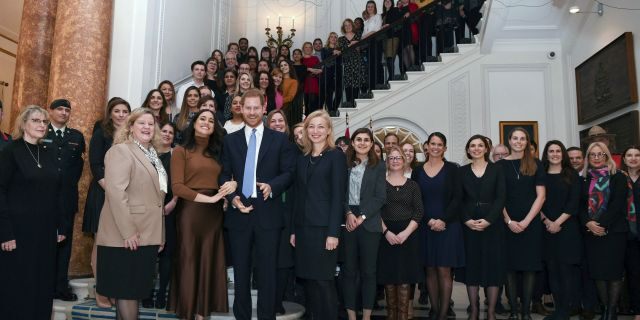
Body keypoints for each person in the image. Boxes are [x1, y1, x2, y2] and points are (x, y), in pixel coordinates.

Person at [220, 89, 296, 320]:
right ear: (240, 109)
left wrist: (272, 186)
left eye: (256, 107)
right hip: (239, 215)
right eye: (247, 107)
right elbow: (222, 175)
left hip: (269, 216)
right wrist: (232, 199)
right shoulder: (230, 140)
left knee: (267, 274)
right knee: (241, 274)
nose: (252, 112)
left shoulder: (280, 139)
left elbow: (289, 172)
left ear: (264, 108)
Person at [95, 108, 167, 320]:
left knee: (131, 293)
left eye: (150, 124)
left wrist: (159, 235)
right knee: (126, 293)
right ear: (130, 127)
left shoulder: (153, 155)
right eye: (141, 123)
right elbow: (116, 193)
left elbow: (156, 200)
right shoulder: (121, 151)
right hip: (125, 237)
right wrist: (128, 232)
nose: (147, 127)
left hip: (146, 235)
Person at [0, 105, 68, 319]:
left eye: (44, 122)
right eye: (36, 121)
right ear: (24, 124)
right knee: (18, 284)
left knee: (42, 283)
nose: (41, 125)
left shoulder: (47, 152)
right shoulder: (10, 151)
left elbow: (57, 193)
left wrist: (61, 225)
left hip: (45, 232)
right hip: (17, 233)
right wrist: (5, 232)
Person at [170, 109, 233, 319]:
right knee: (189, 260)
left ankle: (201, 313)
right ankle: (188, 313)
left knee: (208, 259)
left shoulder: (218, 152)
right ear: (194, 122)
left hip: (214, 214)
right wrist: (211, 199)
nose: (206, 123)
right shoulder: (181, 150)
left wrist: (227, 190)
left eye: (211, 120)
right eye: (202, 119)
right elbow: (177, 187)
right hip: (191, 211)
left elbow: (225, 178)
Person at [291, 110, 346, 320]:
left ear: (329, 130)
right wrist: (295, 230)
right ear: (306, 130)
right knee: (310, 281)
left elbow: (338, 196)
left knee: (324, 281)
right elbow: (298, 196)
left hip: (324, 230)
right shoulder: (302, 158)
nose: (316, 131)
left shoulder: (336, 156)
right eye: (311, 126)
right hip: (304, 230)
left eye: (320, 126)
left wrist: (333, 233)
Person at [82, 97, 131, 308]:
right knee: (101, 243)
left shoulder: (132, 135)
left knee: (118, 246)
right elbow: (95, 163)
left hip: (124, 196)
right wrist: (111, 189)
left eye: (125, 111)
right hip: (103, 193)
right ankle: (100, 291)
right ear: (110, 113)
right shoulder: (102, 132)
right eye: (117, 111)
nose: (121, 115)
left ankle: (112, 289)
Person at [413, 132, 464, 320]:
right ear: (427, 146)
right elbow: (415, 199)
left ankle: (443, 313)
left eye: (439, 144)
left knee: (444, 269)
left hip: (448, 226)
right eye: (432, 143)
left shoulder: (453, 169)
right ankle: (433, 310)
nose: (435, 147)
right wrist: (428, 220)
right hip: (425, 225)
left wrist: (443, 220)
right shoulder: (418, 170)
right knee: (430, 269)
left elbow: (458, 198)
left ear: (445, 148)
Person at [498, 127, 546, 320]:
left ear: (527, 142)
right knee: (509, 267)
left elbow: (541, 196)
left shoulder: (536, 163)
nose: (518, 142)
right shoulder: (499, 166)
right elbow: (498, 197)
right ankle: (513, 311)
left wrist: (526, 221)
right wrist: (508, 220)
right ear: (509, 141)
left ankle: (526, 312)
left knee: (529, 267)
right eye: (515, 138)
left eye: (522, 139)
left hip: (531, 223)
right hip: (507, 222)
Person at [580, 142, 629, 320]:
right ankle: (605, 307)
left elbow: (617, 206)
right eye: (593, 155)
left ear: (607, 156)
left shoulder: (618, 177)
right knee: (597, 272)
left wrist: (600, 224)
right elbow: (579, 206)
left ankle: (611, 312)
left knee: (614, 272)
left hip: (614, 232)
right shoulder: (584, 179)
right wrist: (589, 224)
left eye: (600, 154)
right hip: (591, 233)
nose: (596, 157)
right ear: (588, 158)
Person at [459, 135, 506, 320]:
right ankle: (475, 309)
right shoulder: (461, 171)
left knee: (492, 268)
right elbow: (458, 199)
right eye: (472, 146)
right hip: (469, 225)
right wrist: (466, 219)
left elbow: (501, 197)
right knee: (472, 267)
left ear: (486, 149)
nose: (476, 148)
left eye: (480, 145)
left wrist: (489, 220)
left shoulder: (497, 170)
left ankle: (492, 312)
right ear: (468, 150)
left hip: (492, 225)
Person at [44, 98, 86, 302]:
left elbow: (78, 167)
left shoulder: (76, 137)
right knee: (42, 242)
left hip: (66, 199)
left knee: (64, 244)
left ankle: (60, 286)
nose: (63, 112)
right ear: (50, 111)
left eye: (67, 110)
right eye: (59, 109)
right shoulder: (41, 132)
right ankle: (42, 285)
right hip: (42, 198)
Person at [342, 128, 387, 320]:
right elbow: (339, 192)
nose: (362, 143)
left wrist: (362, 216)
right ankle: (352, 315)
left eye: (366, 140)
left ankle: (367, 316)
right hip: (348, 222)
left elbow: (380, 197)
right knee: (348, 272)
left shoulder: (378, 165)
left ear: (371, 144)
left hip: (369, 223)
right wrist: (349, 213)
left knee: (369, 272)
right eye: (358, 139)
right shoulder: (344, 164)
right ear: (352, 143)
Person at [378, 146, 424, 320]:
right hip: (386, 235)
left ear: (404, 161)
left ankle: (403, 316)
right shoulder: (380, 184)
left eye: (398, 158)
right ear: (387, 162)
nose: (395, 160)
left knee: (405, 278)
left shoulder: (413, 185)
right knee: (389, 279)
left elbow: (419, 211)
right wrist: (386, 232)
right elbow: (375, 211)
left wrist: (406, 233)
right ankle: (391, 315)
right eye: (392, 158)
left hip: (408, 235)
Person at [539, 140, 582, 320]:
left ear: (562, 154)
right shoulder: (540, 175)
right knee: (552, 270)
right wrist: (547, 221)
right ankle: (558, 310)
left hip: (567, 229)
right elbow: (535, 200)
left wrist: (557, 222)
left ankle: (565, 311)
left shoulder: (572, 174)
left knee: (565, 271)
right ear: (546, 154)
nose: (555, 154)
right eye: (551, 151)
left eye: (558, 151)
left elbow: (574, 203)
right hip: (546, 228)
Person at [266, 109, 296, 314]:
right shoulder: (262, 148)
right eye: (273, 121)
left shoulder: (295, 149)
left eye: (281, 121)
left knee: (284, 260)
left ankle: (277, 301)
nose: (277, 124)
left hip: (290, 211)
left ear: (286, 125)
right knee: (267, 259)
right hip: (267, 209)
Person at [146, 122, 178, 310]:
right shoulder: (148, 152)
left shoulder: (177, 154)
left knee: (167, 255)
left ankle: (161, 295)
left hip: (170, 210)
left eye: (170, 132)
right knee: (149, 253)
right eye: (164, 131)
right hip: (149, 210)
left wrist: (173, 202)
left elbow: (182, 182)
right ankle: (147, 293)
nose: (166, 134)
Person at [621, 146, 640, 320]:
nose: (633, 158)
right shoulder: (619, 179)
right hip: (628, 234)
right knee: (634, 274)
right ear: (624, 159)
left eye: (637, 155)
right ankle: (637, 311)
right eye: (629, 155)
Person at [339, 18, 365, 107]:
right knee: (348, 83)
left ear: (352, 26)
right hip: (347, 63)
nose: (348, 27)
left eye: (349, 24)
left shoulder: (359, 34)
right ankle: (349, 103)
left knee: (356, 82)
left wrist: (356, 45)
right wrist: (351, 45)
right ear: (343, 27)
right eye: (345, 25)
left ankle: (354, 103)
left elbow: (361, 48)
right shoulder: (341, 39)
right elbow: (343, 50)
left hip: (357, 62)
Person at [362, 0, 383, 90]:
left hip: (376, 42)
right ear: (366, 9)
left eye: (372, 6)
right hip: (368, 45)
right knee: (370, 65)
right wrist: (364, 37)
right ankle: (372, 87)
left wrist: (365, 36)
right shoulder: (366, 21)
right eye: (368, 7)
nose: (370, 8)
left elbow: (377, 30)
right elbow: (362, 35)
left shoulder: (378, 16)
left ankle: (379, 83)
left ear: (375, 8)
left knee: (377, 63)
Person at [320, 32, 343, 116]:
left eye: (335, 37)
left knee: (339, 92)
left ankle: (334, 108)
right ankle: (330, 110)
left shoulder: (340, 49)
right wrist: (333, 53)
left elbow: (341, 61)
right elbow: (324, 59)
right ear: (329, 38)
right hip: (328, 72)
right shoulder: (324, 49)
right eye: (332, 37)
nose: (333, 38)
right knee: (328, 92)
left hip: (338, 72)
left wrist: (339, 53)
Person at [382, 0, 402, 83]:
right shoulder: (383, 14)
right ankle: (391, 76)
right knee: (388, 58)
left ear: (392, 2)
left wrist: (389, 25)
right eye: (385, 1)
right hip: (385, 38)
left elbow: (399, 20)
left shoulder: (395, 10)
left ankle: (391, 77)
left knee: (390, 57)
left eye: (389, 1)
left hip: (393, 36)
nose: (387, 2)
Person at [279, 59, 300, 129]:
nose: (283, 67)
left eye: (285, 65)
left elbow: (290, 97)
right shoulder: (276, 79)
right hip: (274, 108)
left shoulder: (293, 81)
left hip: (285, 110)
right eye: (281, 66)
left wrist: (277, 102)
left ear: (289, 67)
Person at [302, 42, 322, 114]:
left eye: (310, 47)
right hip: (303, 85)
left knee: (314, 107)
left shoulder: (315, 58)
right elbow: (298, 69)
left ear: (312, 49)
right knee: (306, 107)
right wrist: (309, 69)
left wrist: (313, 70)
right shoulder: (301, 59)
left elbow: (320, 70)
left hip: (314, 85)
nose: (308, 49)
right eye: (306, 47)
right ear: (303, 49)